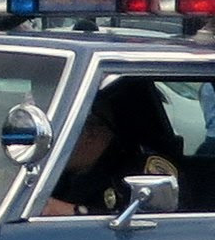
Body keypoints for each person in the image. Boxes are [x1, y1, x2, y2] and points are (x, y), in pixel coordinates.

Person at [44, 87, 178, 217]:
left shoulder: (134, 175)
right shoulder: (54, 175)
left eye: (61, 130)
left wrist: (75, 212)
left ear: (90, 133)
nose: (50, 142)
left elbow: (151, 227)